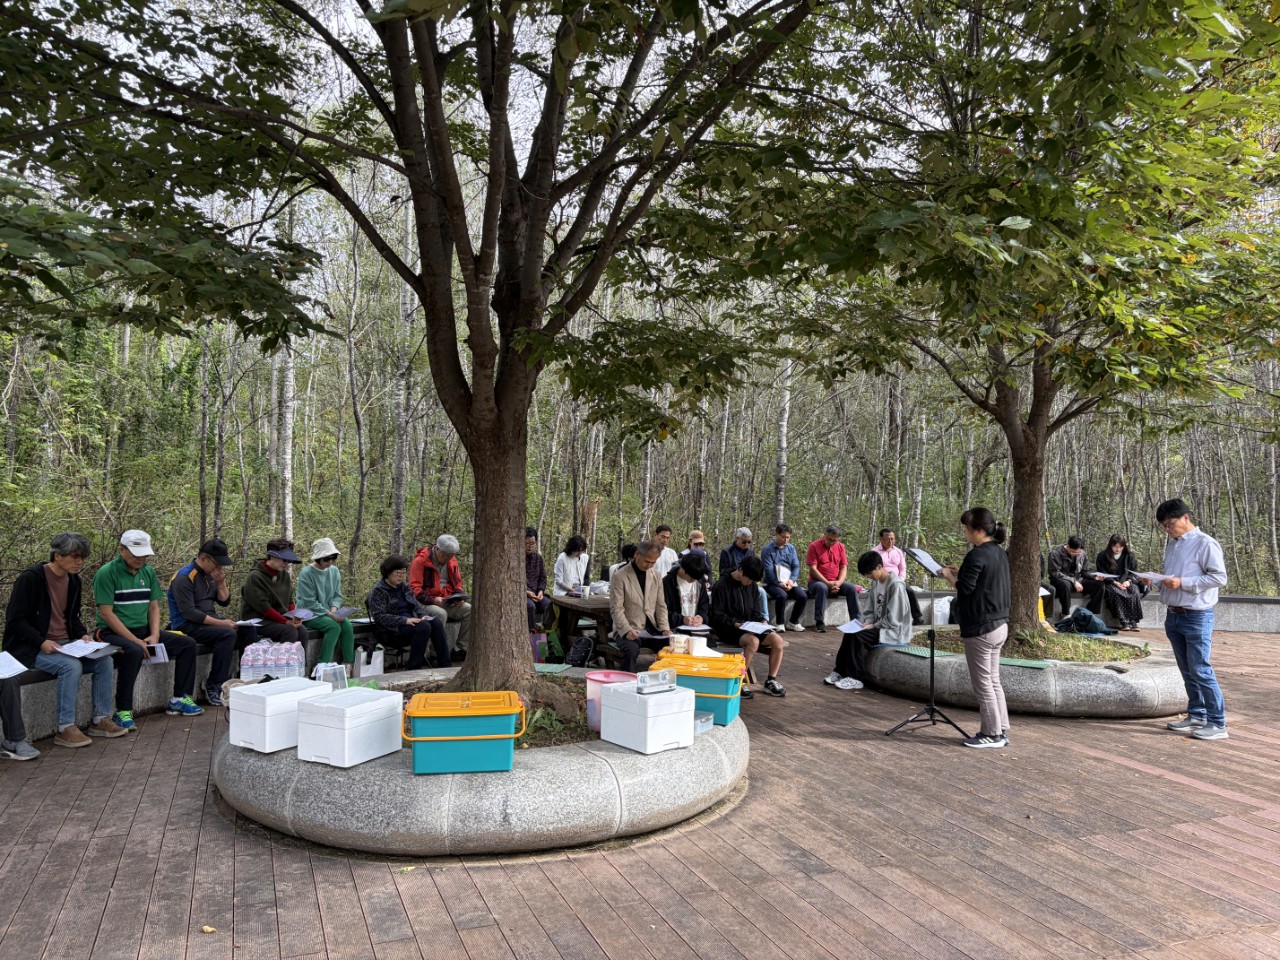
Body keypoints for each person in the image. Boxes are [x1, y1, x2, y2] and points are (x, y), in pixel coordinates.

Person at [3, 532, 127, 748]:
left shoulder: (74, 580)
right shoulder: (31, 579)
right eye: (75, 557)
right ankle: (65, 728)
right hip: (30, 647)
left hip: (65, 644)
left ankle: (100, 719)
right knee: (70, 666)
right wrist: (41, 642)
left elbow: (72, 618)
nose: (80, 562)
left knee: (104, 661)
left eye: (83, 557)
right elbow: (15, 621)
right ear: (57, 555)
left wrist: (83, 636)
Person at [94, 529, 203, 730]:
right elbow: (107, 614)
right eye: (136, 554)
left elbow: (153, 607)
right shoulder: (106, 573)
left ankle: (179, 698)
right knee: (134, 651)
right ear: (122, 550)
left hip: (143, 630)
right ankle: (123, 710)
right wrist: (135, 640)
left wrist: (154, 634)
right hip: (111, 632)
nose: (140, 558)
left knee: (187, 644)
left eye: (144, 554)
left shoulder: (148, 572)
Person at [1149, 498, 1229, 741]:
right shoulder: (1173, 545)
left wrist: (1183, 583)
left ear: (1186, 517)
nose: (1168, 529)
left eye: (1170, 524)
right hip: (1173, 614)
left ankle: (1217, 723)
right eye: (1164, 526)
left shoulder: (1205, 544)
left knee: (1200, 669)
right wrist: (1156, 580)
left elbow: (1219, 578)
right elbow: (1173, 578)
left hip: (1196, 616)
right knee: (1187, 670)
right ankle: (1197, 714)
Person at [939, 508, 1011, 749]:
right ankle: (1000, 729)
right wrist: (960, 573)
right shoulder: (998, 552)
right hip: (999, 625)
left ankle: (991, 734)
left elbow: (966, 589)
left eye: (966, 528)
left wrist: (949, 576)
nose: (964, 532)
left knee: (983, 684)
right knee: (993, 680)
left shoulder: (976, 554)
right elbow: (983, 581)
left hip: (981, 628)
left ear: (978, 530)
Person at [168, 537, 254, 707]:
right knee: (227, 634)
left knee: (248, 629)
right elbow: (189, 613)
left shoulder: (211, 576)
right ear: (204, 558)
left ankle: (243, 676)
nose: (219, 568)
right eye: (217, 563)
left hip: (208, 620)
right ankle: (214, 684)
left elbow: (224, 602)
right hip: (186, 624)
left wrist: (221, 584)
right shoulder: (184, 577)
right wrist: (223, 624)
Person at [826, 551, 913, 691]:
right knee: (850, 633)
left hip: (893, 630)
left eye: (869, 573)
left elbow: (895, 618)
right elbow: (870, 609)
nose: (868, 576)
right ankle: (840, 671)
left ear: (879, 567)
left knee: (858, 636)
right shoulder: (875, 583)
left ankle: (855, 677)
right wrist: (868, 621)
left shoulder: (895, 585)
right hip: (878, 626)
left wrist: (874, 625)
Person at [710, 556, 786, 698]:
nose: (750, 583)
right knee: (753, 642)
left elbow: (755, 611)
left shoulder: (752, 586)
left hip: (749, 626)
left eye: (753, 581)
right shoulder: (722, 585)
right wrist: (735, 623)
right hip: (728, 628)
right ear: (740, 570)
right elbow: (717, 615)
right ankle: (739, 680)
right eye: (749, 579)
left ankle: (771, 680)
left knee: (777, 641)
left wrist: (762, 621)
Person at [368, 554, 451, 669]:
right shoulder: (378, 591)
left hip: (410, 624)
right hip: (391, 630)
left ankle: (445, 665)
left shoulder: (404, 587)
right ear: (388, 572)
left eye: (403, 573)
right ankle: (413, 667)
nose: (401, 576)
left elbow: (416, 605)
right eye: (398, 573)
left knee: (435, 622)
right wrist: (404, 620)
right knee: (424, 627)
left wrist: (423, 615)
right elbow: (379, 617)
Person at [609, 541, 673, 672]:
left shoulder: (656, 576)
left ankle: (666, 680)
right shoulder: (620, 576)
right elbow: (616, 608)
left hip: (652, 630)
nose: (649, 565)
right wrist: (627, 630)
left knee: (673, 645)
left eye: (653, 562)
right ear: (637, 554)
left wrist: (665, 628)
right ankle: (627, 681)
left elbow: (661, 605)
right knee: (630, 651)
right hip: (629, 629)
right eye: (647, 561)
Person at [411, 534, 473, 660]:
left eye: (451, 555)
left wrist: (458, 597)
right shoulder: (420, 561)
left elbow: (457, 583)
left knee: (469, 609)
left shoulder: (452, 561)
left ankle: (461, 649)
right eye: (446, 555)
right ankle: (436, 654)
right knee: (440, 614)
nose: (449, 558)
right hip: (425, 603)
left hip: (446, 600)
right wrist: (433, 600)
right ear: (437, 549)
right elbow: (415, 589)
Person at [296, 537, 355, 664]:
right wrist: (331, 615)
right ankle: (323, 665)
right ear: (318, 558)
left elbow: (337, 595)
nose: (330, 562)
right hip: (309, 614)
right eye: (326, 559)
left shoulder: (334, 571)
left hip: (327, 613)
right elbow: (309, 602)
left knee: (347, 625)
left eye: (333, 558)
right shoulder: (306, 573)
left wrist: (334, 611)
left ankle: (348, 664)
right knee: (333, 627)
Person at [241, 539, 310, 645]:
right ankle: (282, 656)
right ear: (272, 556)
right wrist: (285, 621)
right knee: (289, 631)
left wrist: (294, 616)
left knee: (302, 631)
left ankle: (301, 656)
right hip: (259, 621)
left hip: (279, 619)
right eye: (284, 560)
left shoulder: (284, 575)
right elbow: (264, 608)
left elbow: (289, 601)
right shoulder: (255, 576)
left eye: (288, 561)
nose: (286, 563)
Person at [806, 525, 861, 632]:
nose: (831, 542)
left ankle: (856, 621)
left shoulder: (840, 547)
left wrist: (839, 582)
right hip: (817, 582)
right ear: (825, 535)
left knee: (851, 588)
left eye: (834, 541)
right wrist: (828, 583)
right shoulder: (814, 546)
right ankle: (819, 622)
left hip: (836, 582)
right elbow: (813, 569)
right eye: (829, 539)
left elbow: (843, 567)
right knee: (822, 587)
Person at [873, 528, 924, 625]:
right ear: (881, 539)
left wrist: (900, 580)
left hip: (897, 580)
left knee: (910, 591)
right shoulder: (875, 552)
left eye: (892, 539)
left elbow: (902, 568)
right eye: (887, 539)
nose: (890, 541)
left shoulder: (898, 551)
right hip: (882, 581)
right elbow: (873, 570)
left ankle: (917, 618)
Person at [761, 524, 806, 631]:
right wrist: (779, 583)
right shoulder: (767, 549)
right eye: (783, 537)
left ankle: (793, 622)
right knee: (782, 595)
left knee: (802, 596)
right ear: (776, 534)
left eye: (788, 537)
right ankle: (779, 623)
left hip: (789, 582)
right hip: (772, 583)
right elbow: (769, 570)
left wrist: (791, 581)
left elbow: (796, 566)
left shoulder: (791, 548)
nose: (785, 540)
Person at [1047, 536, 1104, 620]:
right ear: (1068, 546)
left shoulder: (1082, 554)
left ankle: (1091, 613)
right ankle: (1065, 613)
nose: (1076, 554)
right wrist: (1073, 581)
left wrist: (1094, 577)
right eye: (1073, 552)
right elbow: (1054, 573)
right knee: (1065, 585)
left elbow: (1085, 571)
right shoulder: (1055, 553)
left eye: (1078, 552)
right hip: (1061, 580)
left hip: (1078, 579)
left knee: (1099, 585)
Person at [1096, 534, 1144, 632]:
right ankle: (1123, 621)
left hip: (1126, 582)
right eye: (1115, 547)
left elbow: (1134, 572)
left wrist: (1128, 581)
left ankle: (1133, 620)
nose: (1118, 549)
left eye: (1120, 547)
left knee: (1134, 591)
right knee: (1116, 592)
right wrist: (1114, 582)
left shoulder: (1129, 556)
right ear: (1110, 545)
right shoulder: (1103, 556)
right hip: (1110, 582)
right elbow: (1102, 572)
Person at [552, 535, 591, 650]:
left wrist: (584, 589)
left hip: (580, 591)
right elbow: (558, 580)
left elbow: (586, 577)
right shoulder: (562, 558)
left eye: (581, 551)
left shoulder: (585, 557)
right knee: (566, 613)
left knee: (585, 610)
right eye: (577, 551)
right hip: (563, 592)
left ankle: (580, 642)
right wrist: (570, 590)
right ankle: (566, 643)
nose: (579, 554)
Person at [662, 551, 711, 630]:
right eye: (692, 578)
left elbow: (704, 603)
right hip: (675, 629)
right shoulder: (668, 582)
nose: (694, 580)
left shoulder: (700, 580)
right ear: (684, 569)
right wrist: (682, 619)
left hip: (697, 628)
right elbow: (663, 611)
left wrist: (701, 617)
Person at [524, 527, 551, 632]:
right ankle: (531, 634)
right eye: (527, 543)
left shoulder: (538, 558)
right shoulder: (517, 559)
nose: (530, 546)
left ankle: (547, 634)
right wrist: (527, 592)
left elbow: (543, 578)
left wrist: (540, 591)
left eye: (532, 543)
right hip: (523, 594)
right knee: (531, 607)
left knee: (549, 605)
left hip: (536, 593)